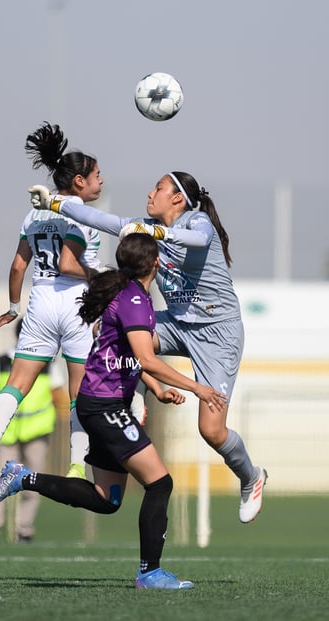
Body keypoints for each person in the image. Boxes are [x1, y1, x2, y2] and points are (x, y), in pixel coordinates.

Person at [0, 233, 227, 589]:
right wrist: (198, 388)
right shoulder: (133, 299)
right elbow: (146, 358)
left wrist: (157, 389)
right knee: (160, 483)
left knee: (107, 499)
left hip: (100, 403)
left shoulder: (126, 294)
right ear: (155, 265)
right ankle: (150, 572)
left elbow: (125, 356)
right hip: (105, 405)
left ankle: (22, 477)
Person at [28, 171, 268, 524]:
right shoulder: (147, 226)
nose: (150, 193)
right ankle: (135, 397)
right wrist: (54, 203)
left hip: (218, 332)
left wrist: (158, 232)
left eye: (158, 188)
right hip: (177, 322)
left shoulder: (196, 220)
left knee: (212, 431)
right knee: (119, 333)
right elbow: (104, 219)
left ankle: (251, 476)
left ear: (177, 198)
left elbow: (198, 240)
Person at [0, 122, 103, 494]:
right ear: (78, 181)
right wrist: (101, 276)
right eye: (96, 175)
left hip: (39, 302)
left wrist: (14, 306)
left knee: (17, 383)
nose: (100, 181)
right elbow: (68, 264)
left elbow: (16, 267)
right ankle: (77, 466)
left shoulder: (33, 214)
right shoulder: (80, 212)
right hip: (75, 302)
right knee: (78, 392)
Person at [0, 319, 66, 544]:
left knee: (31, 481)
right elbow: (59, 396)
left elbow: (56, 394)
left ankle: (22, 530)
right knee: (2, 480)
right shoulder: (3, 362)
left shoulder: (48, 363)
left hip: (35, 430)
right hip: (10, 432)